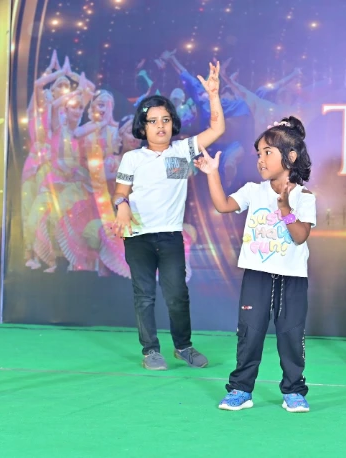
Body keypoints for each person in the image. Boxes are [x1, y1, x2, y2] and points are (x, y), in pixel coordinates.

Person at [195, 116, 315, 413]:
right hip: (257, 275)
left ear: (290, 156)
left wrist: (285, 208)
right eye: (258, 153)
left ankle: (293, 390)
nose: (260, 159)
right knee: (249, 333)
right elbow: (223, 205)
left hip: (291, 277)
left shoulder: (304, 196)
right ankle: (241, 389)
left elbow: (300, 236)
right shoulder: (253, 190)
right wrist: (212, 173)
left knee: (291, 334)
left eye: (268, 152)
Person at [112, 62, 225, 370]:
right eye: (152, 121)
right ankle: (150, 351)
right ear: (143, 127)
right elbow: (119, 192)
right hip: (138, 237)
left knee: (177, 295)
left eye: (165, 120)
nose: (159, 126)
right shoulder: (132, 158)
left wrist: (213, 95)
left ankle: (183, 347)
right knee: (144, 296)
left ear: (173, 123)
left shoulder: (182, 151)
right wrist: (122, 205)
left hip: (171, 236)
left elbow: (217, 129)